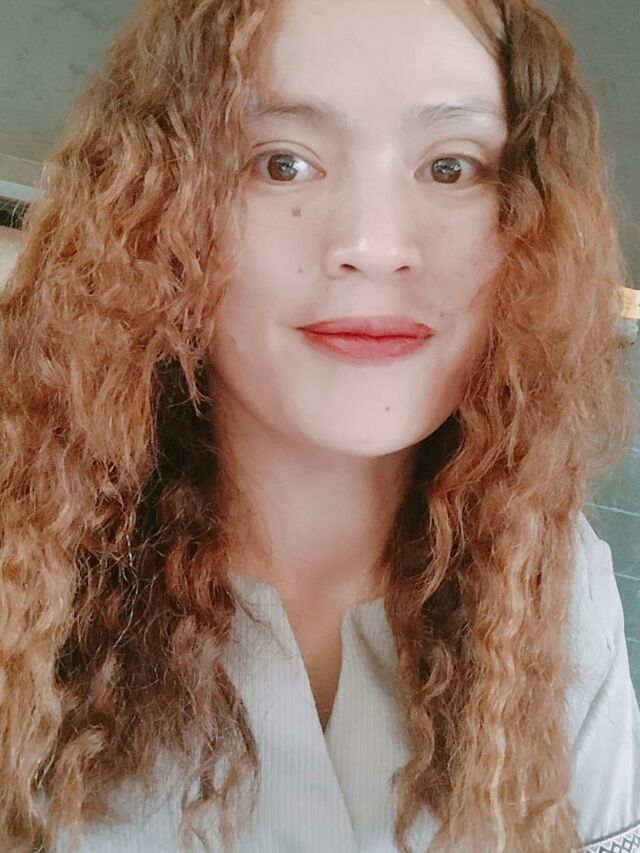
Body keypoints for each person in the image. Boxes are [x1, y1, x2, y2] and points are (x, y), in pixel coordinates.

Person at [0, 0, 638, 850]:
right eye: (283, 163)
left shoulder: (560, 582)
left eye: (451, 167)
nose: (373, 243)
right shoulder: (21, 561)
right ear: (158, 215)